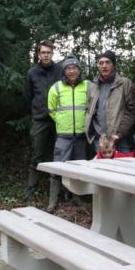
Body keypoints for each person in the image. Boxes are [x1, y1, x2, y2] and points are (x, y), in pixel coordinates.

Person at [46, 54, 88, 212]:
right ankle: (53, 201)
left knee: (79, 169)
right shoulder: (56, 87)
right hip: (63, 135)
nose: (71, 71)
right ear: (64, 71)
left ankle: (77, 197)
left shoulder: (87, 86)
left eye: (74, 67)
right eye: (68, 68)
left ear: (79, 70)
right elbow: (51, 109)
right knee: (57, 168)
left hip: (82, 136)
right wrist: (61, 121)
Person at [23, 40, 63, 200]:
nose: (46, 55)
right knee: (37, 155)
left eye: (48, 52)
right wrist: (34, 112)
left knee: (59, 156)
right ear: (39, 54)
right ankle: (31, 189)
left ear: (52, 54)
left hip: (58, 119)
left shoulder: (60, 70)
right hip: (39, 119)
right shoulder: (32, 73)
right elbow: (28, 95)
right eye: (43, 52)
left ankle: (60, 191)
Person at [85, 50, 133, 153]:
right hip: (100, 139)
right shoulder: (93, 86)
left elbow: (131, 111)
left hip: (120, 138)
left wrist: (121, 133)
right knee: (100, 168)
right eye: (101, 63)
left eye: (108, 62)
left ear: (114, 65)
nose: (104, 66)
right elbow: (89, 110)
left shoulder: (125, 83)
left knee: (124, 167)